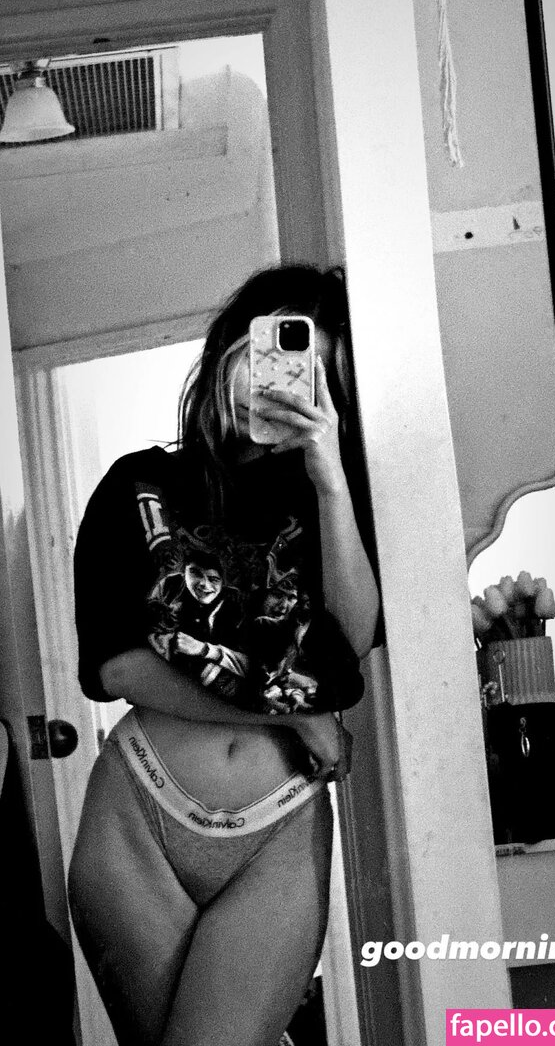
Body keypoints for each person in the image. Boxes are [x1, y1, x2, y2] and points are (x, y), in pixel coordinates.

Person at [68, 264, 380, 1046]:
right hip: (137, 810)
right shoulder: (137, 484)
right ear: (228, 348)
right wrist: (292, 717)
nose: (277, 384)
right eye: (270, 352)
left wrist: (331, 480)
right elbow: (116, 667)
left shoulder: (331, 506)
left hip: (279, 829)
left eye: (311, 374)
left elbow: (349, 647)